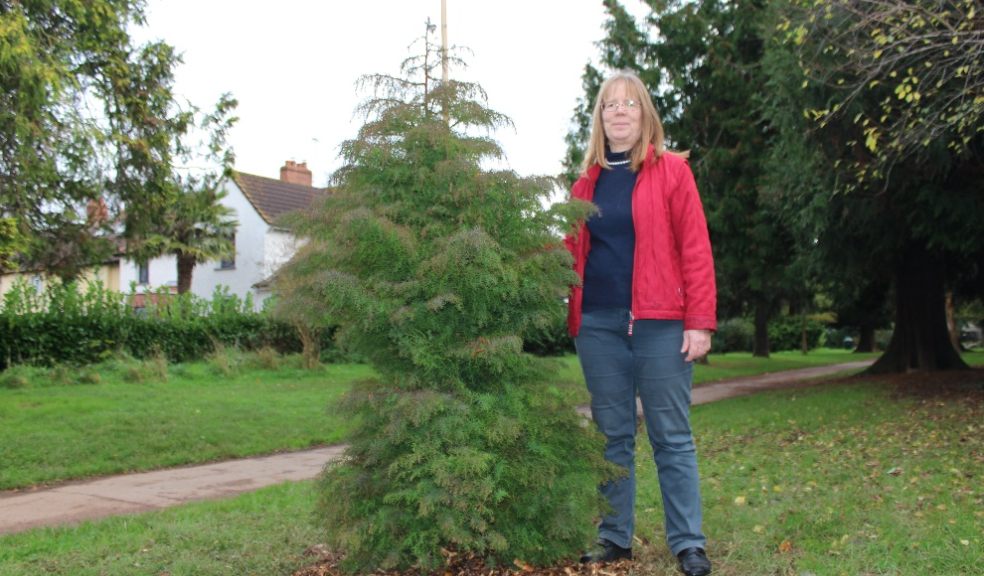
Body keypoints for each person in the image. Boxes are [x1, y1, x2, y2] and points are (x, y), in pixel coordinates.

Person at [564, 70, 716, 576]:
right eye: (610, 105)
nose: (620, 112)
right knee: (612, 435)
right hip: (598, 325)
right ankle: (614, 537)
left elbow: (695, 249)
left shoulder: (672, 172)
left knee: (671, 435)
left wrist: (699, 323)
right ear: (600, 118)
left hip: (662, 323)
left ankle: (688, 544)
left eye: (629, 103)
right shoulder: (585, 183)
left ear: (644, 113)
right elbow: (569, 251)